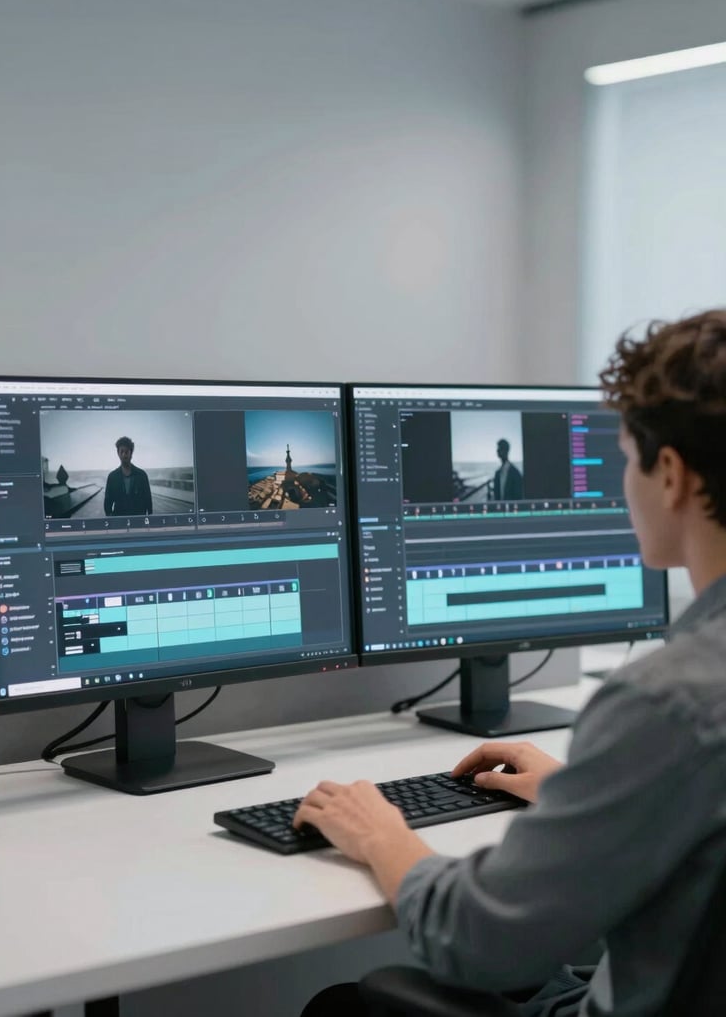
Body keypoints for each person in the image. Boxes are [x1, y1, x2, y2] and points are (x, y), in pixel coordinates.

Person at [296, 309, 726, 1017]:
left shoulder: (665, 702)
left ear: (672, 475)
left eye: (625, 457)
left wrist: (382, 834)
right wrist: (588, 793)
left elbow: (476, 941)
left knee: (350, 1005)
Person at [103, 436, 153, 517]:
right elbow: (107, 503)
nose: (124, 455)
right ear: (118, 453)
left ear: (131, 453)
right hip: (119, 522)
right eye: (121, 452)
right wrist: (111, 520)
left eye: (126, 452)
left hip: (138, 521)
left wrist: (149, 521)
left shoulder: (142, 475)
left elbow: (148, 500)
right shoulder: (112, 477)